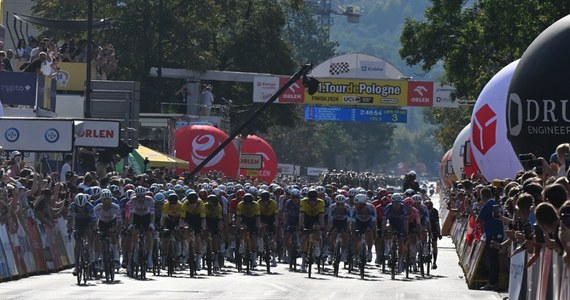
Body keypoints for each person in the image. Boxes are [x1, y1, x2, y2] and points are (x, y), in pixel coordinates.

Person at [476, 186, 504, 291]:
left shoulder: (487, 205)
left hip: (492, 234)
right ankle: (495, 282)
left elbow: (479, 220)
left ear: (482, 196)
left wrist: (483, 221)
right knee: (495, 259)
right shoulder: (495, 203)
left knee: (492, 260)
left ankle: (492, 282)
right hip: (498, 233)